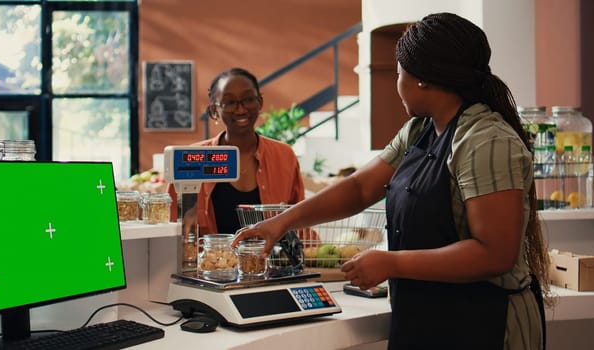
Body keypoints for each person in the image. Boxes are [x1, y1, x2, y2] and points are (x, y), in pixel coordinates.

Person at [233, 13, 549, 350]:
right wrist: (281, 222)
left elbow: (494, 254)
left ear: (423, 79)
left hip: (487, 324)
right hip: (427, 320)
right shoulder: (420, 130)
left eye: (398, 74)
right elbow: (359, 188)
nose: (395, 85)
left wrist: (392, 262)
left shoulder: (486, 140)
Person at [168, 67, 305, 236]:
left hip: (270, 260)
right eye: (230, 102)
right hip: (211, 260)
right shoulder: (191, 158)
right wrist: (187, 211)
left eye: (248, 99)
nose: (241, 110)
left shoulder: (284, 156)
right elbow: (171, 222)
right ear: (213, 111)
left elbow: (300, 219)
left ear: (260, 102)